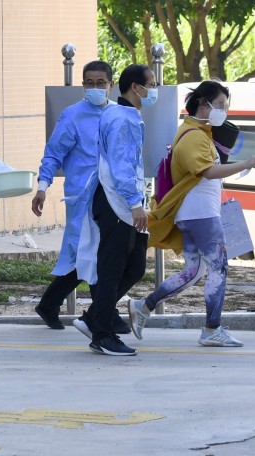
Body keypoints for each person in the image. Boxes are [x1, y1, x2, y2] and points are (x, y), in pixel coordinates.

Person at [128, 82, 255, 347]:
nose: (224, 111)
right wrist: (247, 162)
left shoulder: (199, 132)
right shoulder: (192, 135)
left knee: (194, 271)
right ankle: (212, 329)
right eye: (221, 105)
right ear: (204, 104)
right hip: (200, 213)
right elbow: (207, 172)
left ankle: (143, 307)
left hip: (196, 213)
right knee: (219, 267)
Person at [31, 60, 130, 335]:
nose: (95, 88)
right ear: (83, 85)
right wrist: (42, 186)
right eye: (90, 83)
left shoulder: (119, 115)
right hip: (83, 197)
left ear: (111, 85)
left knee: (98, 253)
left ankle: (59, 305)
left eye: (101, 83)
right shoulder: (72, 116)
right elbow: (53, 154)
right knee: (89, 251)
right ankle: (103, 313)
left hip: (112, 196)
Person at [74, 63, 156, 356]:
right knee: (112, 269)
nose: (153, 91)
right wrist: (135, 204)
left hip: (123, 201)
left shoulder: (123, 114)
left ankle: (93, 317)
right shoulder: (122, 118)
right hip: (116, 202)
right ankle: (103, 335)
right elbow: (122, 166)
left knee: (134, 266)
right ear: (136, 87)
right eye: (151, 84)